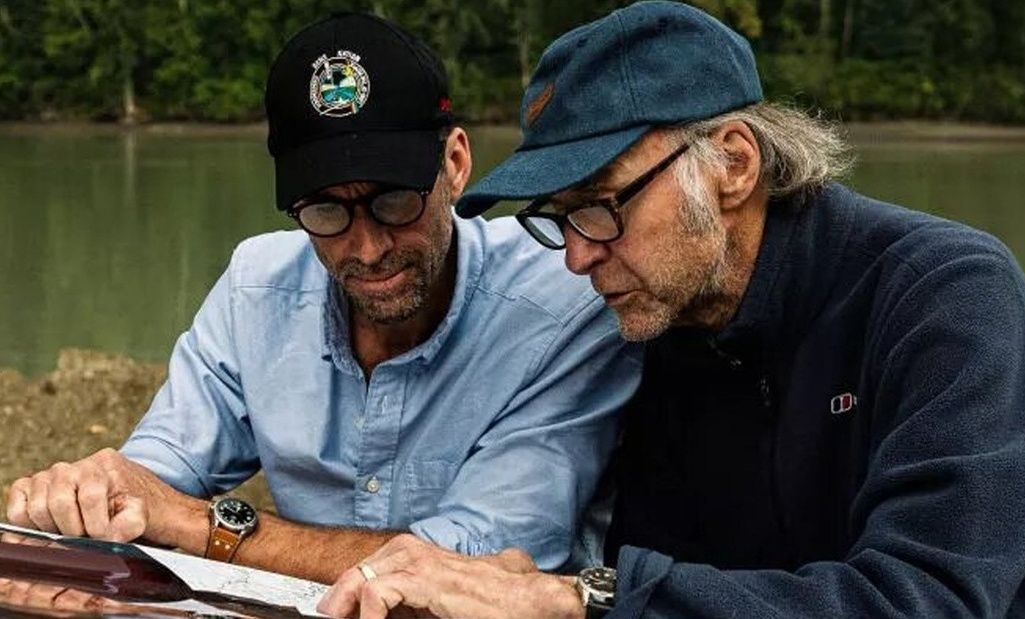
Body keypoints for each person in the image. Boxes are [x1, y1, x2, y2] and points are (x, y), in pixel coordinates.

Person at [316, 2, 1025, 617]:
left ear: (731, 162)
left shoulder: (945, 294)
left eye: (598, 205)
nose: (577, 254)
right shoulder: (673, 328)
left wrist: (574, 596)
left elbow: (927, 600)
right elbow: (667, 569)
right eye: (558, 216)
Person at [4, 12, 641, 585]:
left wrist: (212, 528)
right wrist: (96, 494)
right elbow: (156, 476)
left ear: (454, 162)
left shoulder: (563, 302)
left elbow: (475, 564)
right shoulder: (257, 285)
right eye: (325, 210)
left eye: (394, 202)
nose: (365, 248)